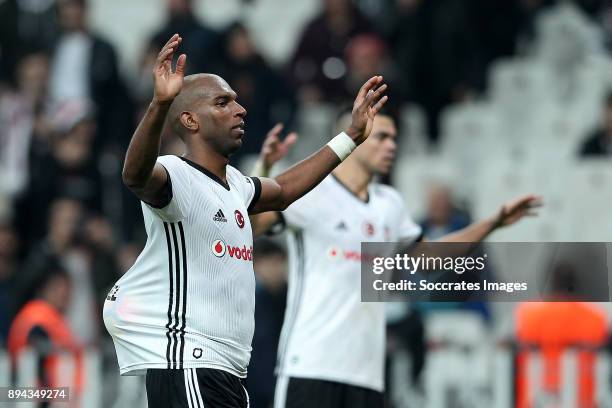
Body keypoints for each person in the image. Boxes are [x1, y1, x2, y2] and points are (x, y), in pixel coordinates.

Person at [102, 33, 389, 408]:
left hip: (227, 372)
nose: (240, 110)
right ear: (189, 119)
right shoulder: (176, 176)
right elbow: (135, 175)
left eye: (237, 101)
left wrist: (350, 136)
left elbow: (284, 190)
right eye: (223, 102)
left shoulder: (235, 184)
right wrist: (159, 103)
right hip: (189, 363)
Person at [249, 110, 541, 408]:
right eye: (382, 137)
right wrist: (265, 168)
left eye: (394, 139)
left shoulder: (389, 204)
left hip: (367, 375)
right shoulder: (311, 193)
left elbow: (429, 259)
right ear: (353, 139)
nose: (392, 146)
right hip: (310, 368)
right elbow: (253, 223)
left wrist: (492, 223)